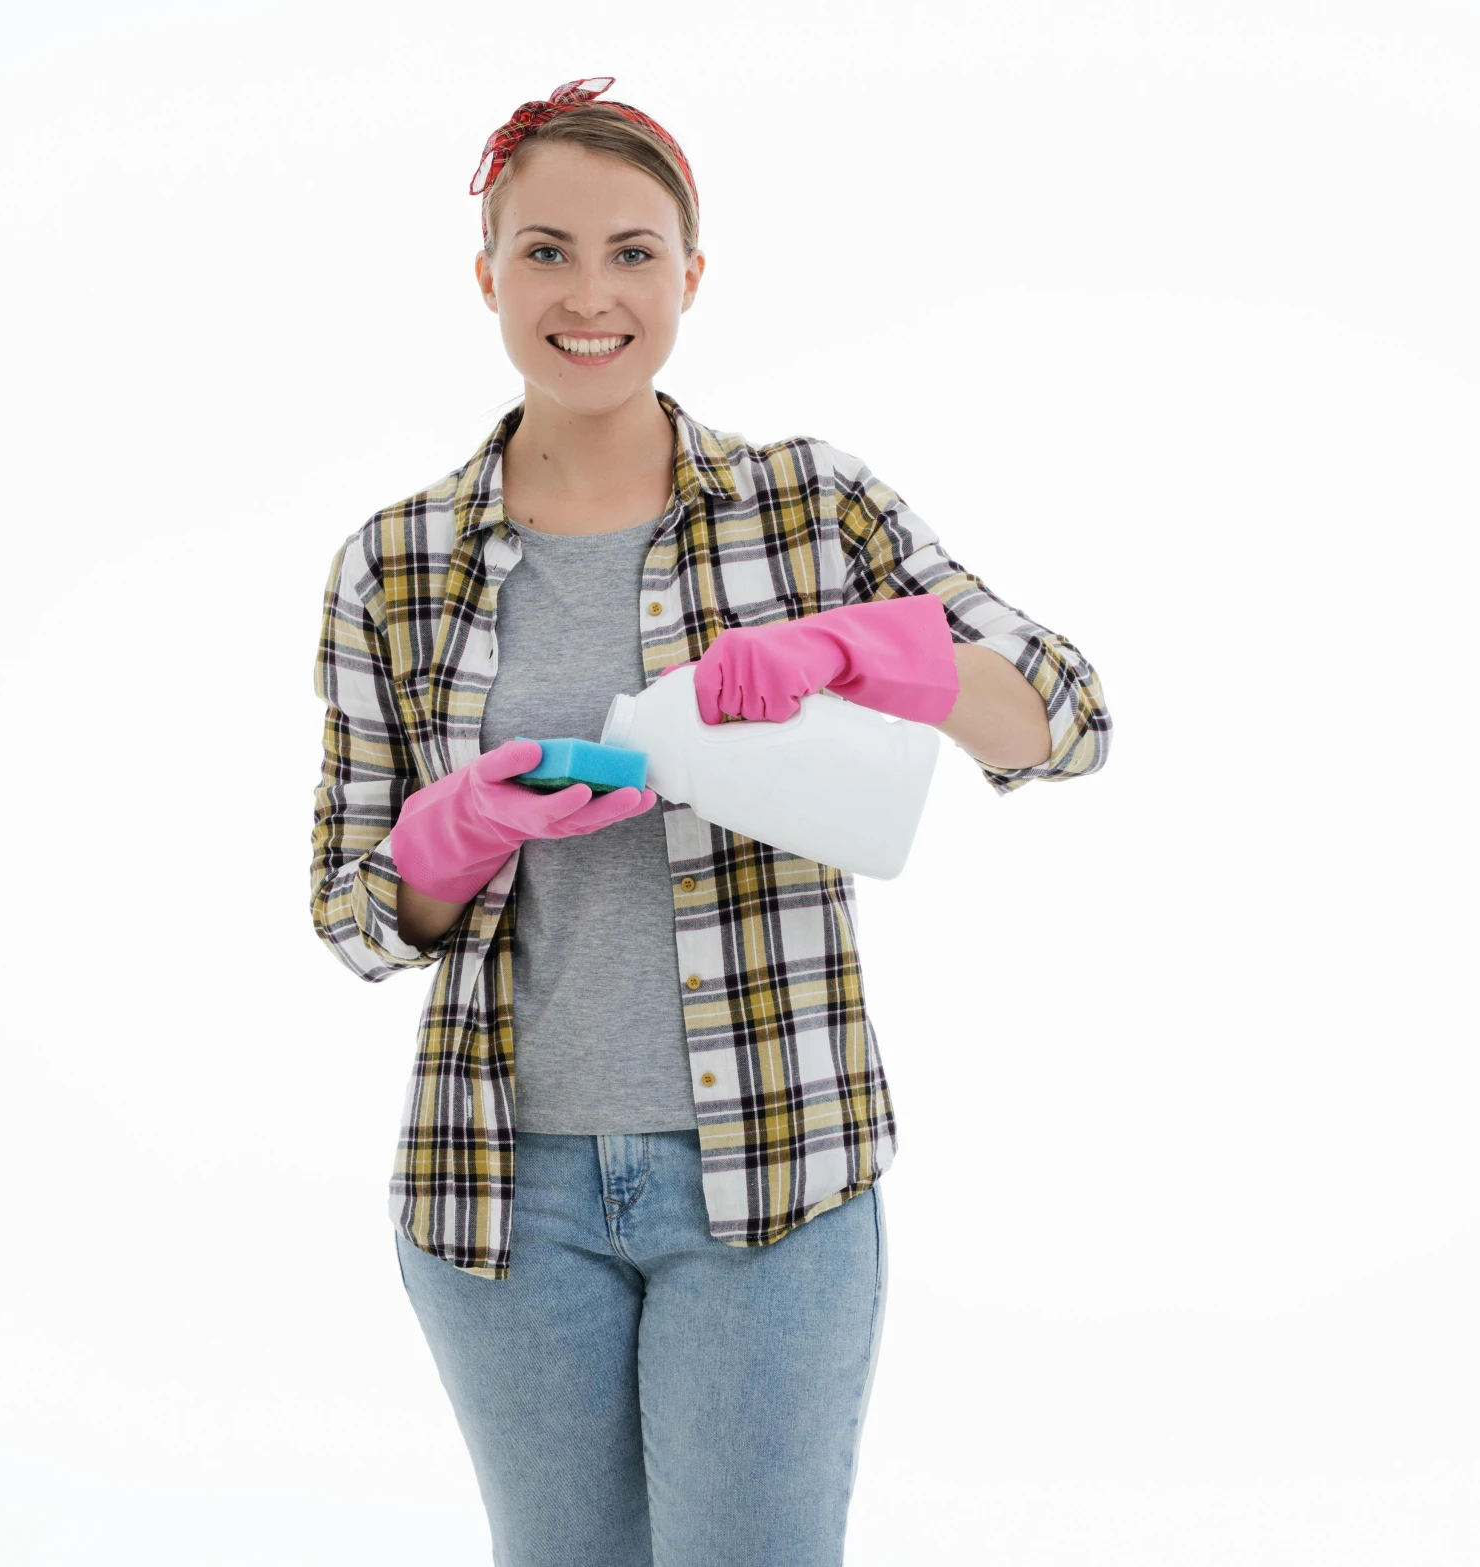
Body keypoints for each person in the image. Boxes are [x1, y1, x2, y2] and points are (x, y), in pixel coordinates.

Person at [308, 76, 1113, 1567]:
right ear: (487, 276)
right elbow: (353, 911)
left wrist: (868, 650)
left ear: (691, 271)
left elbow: (1068, 714)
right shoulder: (397, 560)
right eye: (544, 252)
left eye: (631, 251)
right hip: (498, 1193)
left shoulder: (809, 507)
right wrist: (442, 842)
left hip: (772, 1168)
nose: (589, 294)